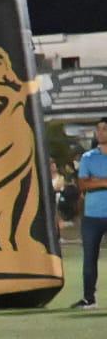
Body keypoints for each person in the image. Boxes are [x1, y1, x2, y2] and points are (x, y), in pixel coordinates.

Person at [73, 116, 107, 308]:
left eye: (104, 129)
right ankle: (89, 299)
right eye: (98, 129)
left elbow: (89, 183)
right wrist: (105, 181)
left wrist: (96, 181)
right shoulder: (88, 157)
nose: (100, 133)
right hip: (92, 216)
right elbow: (83, 184)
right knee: (89, 259)